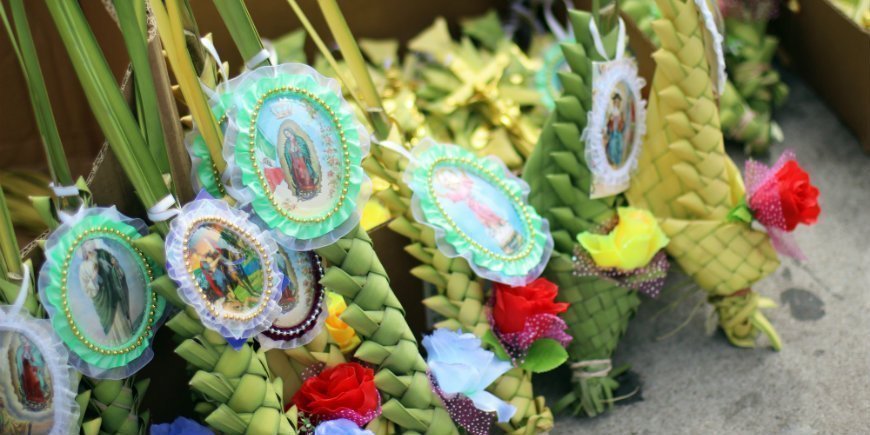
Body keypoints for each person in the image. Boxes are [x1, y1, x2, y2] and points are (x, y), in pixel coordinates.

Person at [281, 128, 320, 200]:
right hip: (294, 161)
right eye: (286, 134)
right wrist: (290, 151)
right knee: (298, 175)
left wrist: (298, 149)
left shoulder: (299, 139)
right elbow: (286, 153)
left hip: (302, 160)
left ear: (291, 131)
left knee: (305, 174)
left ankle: (310, 188)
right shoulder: (287, 143)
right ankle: (302, 190)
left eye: (288, 133)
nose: (288, 135)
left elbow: (304, 147)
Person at [16, 339, 48, 409]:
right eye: (25, 344)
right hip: (26, 371)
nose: (26, 345)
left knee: (35, 384)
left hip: (33, 370)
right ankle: (30, 399)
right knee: (28, 385)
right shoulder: (20, 351)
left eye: (27, 344)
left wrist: (32, 360)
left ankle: (39, 400)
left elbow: (40, 362)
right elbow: (20, 362)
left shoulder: (35, 350)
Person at [606, 91, 626, 167]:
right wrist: (611, 119)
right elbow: (608, 122)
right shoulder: (611, 112)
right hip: (613, 132)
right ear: (613, 102)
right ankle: (612, 160)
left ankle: (617, 161)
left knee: (620, 145)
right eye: (615, 102)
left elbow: (622, 124)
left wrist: (621, 121)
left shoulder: (620, 113)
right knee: (613, 145)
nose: (616, 104)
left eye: (618, 102)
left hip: (618, 131)